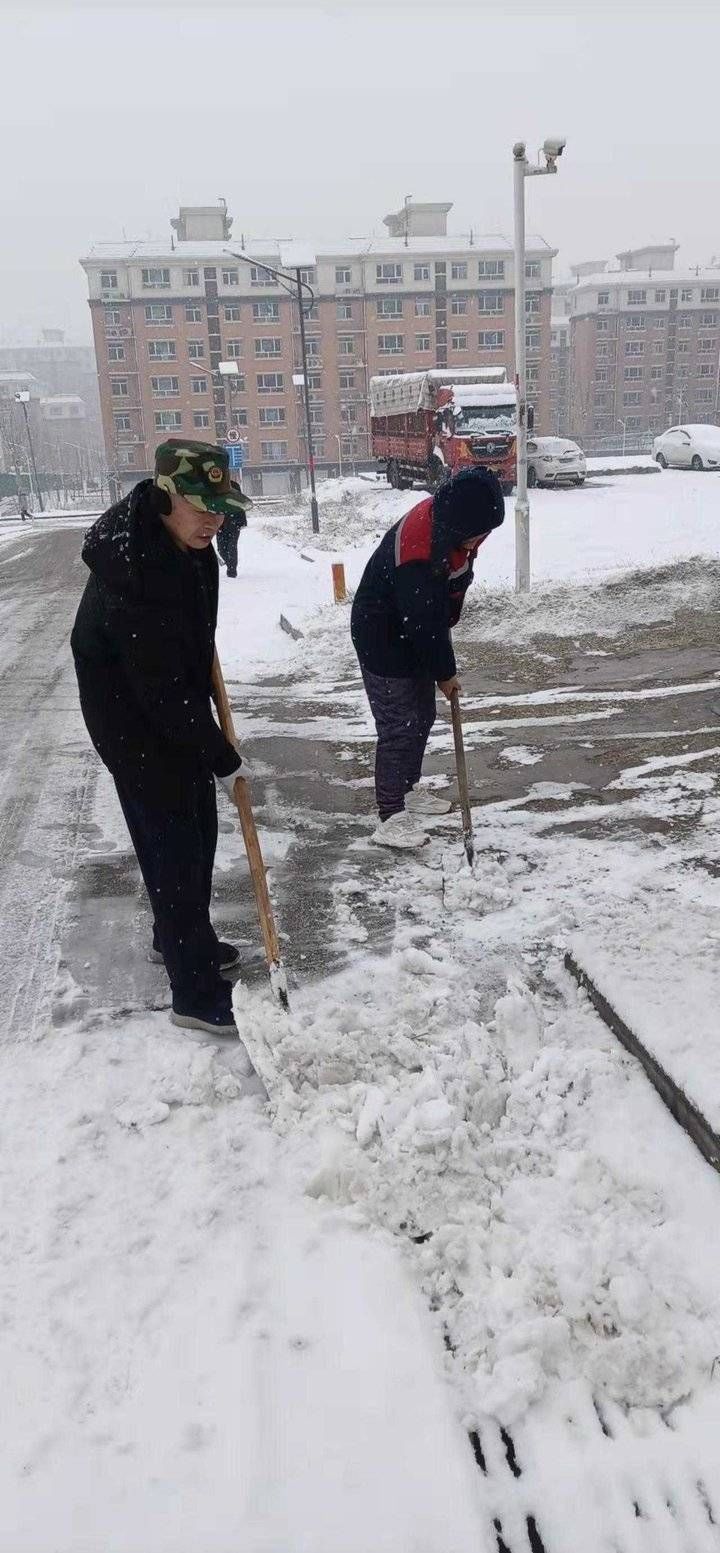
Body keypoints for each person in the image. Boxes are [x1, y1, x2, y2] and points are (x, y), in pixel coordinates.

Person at [71, 439, 252, 1035]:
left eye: (220, 506)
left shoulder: (184, 539)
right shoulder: (137, 573)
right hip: (132, 723)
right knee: (176, 845)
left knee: (195, 833)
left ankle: (178, 939)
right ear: (165, 493)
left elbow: (189, 637)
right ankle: (193, 991)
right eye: (202, 506)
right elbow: (162, 693)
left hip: (165, 698)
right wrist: (221, 756)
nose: (214, 520)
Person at [351, 465, 504, 850]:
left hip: (410, 629)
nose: (482, 540)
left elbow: (437, 608)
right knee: (398, 726)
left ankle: (408, 789)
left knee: (422, 716)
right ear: (462, 524)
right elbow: (424, 622)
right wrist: (445, 673)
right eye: (480, 533)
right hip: (383, 637)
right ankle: (390, 815)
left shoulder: (450, 526)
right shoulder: (418, 550)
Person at [216, 504, 246, 577]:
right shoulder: (217, 497)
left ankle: (232, 571)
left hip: (234, 527)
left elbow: (240, 505)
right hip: (220, 528)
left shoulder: (235, 495)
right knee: (221, 550)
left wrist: (242, 522)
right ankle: (230, 565)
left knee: (232, 548)